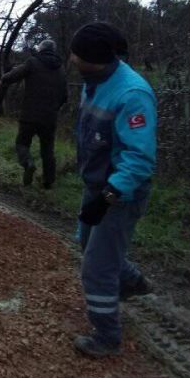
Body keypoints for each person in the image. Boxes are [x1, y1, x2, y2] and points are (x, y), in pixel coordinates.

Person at [70, 22, 156, 358]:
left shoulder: (132, 95)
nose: (73, 60)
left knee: (96, 267)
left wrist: (107, 198)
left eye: (79, 58)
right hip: (97, 185)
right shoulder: (93, 82)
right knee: (87, 242)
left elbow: (139, 160)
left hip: (121, 194)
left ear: (99, 61)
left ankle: (106, 337)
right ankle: (132, 282)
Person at [0, 39, 67, 189]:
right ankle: (48, 183)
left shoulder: (33, 62)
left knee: (22, 143)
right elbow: (64, 96)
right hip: (50, 117)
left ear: (40, 49)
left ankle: (28, 163)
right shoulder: (61, 69)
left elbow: (14, 75)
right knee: (47, 150)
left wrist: (4, 79)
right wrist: (54, 108)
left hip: (29, 114)